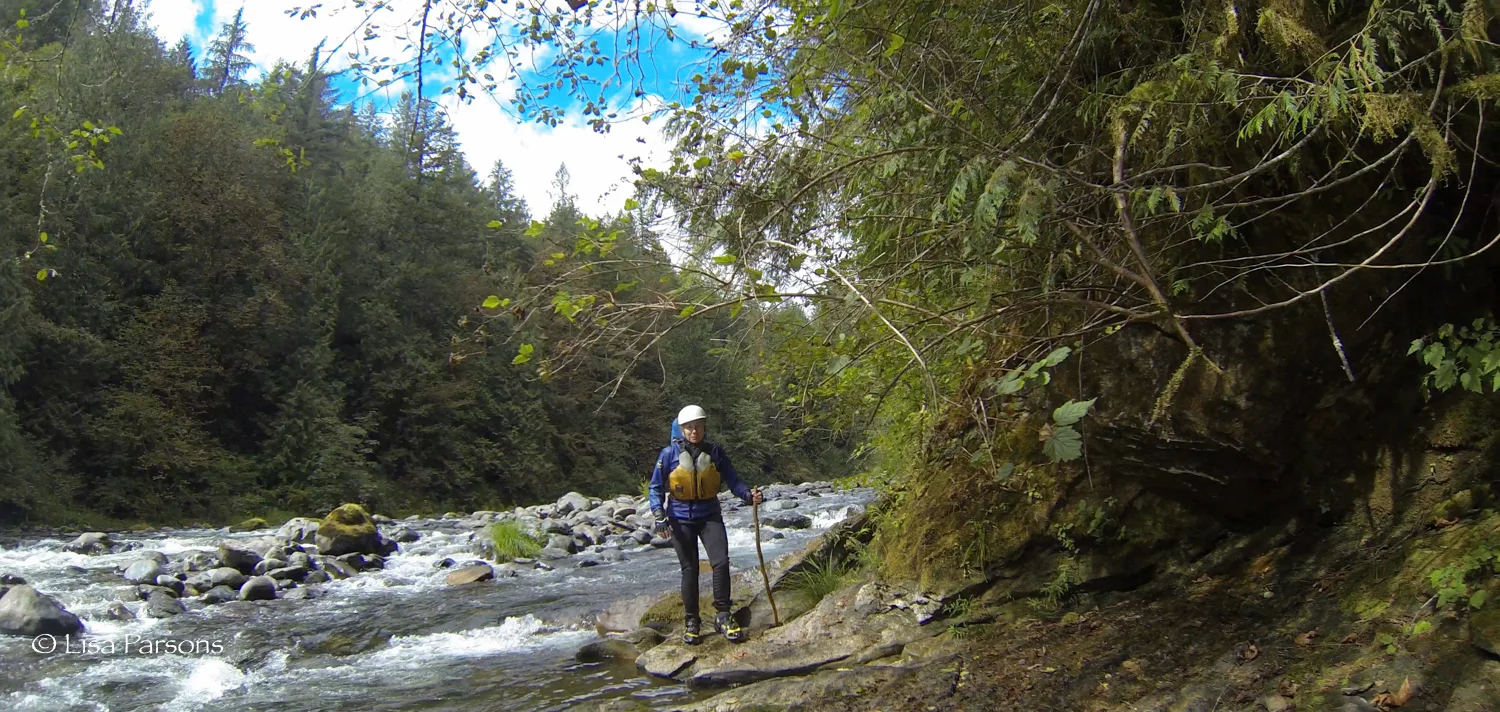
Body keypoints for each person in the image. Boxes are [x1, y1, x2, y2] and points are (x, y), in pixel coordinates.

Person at [650, 404, 763, 645]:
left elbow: (733, 480)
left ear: (704, 428)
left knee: (720, 563)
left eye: (698, 427)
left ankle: (723, 615)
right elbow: (656, 488)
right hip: (680, 520)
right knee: (689, 569)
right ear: (682, 430)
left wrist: (747, 496)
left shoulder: (715, 453)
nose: (694, 432)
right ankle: (692, 621)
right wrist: (659, 515)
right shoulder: (668, 455)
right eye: (689, 428)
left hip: (709, 516)